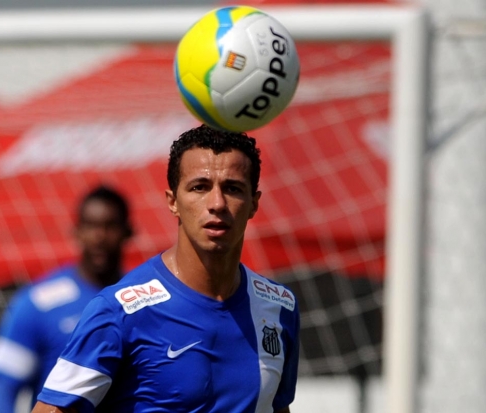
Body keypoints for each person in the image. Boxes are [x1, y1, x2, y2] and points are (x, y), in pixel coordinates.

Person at [31, 124, 300, 413]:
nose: (217, 203)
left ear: (254, 203)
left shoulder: (278, 306)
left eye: (233, 188)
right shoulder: (119, 311)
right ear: (173, 202)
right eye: (199, 187)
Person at [0, 185, 133, 413]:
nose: (100, 237)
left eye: (110, 226)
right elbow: (4, 389)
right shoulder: (37, 303)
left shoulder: (143, 299)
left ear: (127, 232)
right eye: (90, 226)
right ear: (76, 231)